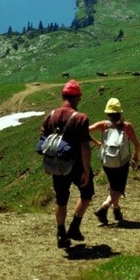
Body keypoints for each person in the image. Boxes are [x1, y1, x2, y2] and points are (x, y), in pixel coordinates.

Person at [39, 79, 95, 248]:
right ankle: (74, 227)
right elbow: (85, 147)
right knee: (87, 194)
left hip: (58, 164)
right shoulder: (81, 118)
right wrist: (86, 170)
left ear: (63, 96)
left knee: (61, 199)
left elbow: (44, 140)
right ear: (77, 98)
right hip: (77, 165)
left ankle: (60, 233)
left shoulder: (50, 116)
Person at [89, 97, 140, 226]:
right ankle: (104, 207)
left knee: (114, 186)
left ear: (108, 113)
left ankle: (116, 209)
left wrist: (96, 143)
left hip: (107, 162)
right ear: (120, 113)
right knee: (118, 189)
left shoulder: (104, 125)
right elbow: (137, 145)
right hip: (122, 162)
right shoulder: (127, 127)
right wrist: (135, 158)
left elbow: (84, 131)